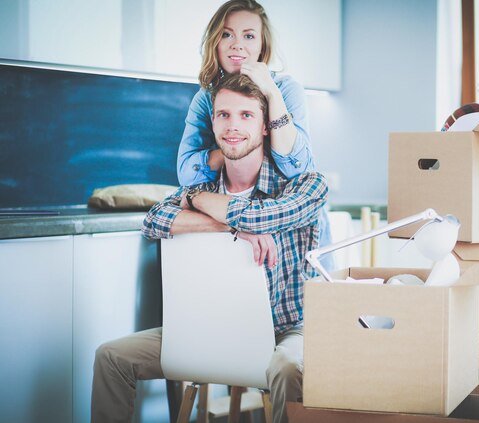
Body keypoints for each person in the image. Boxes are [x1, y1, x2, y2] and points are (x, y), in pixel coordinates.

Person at [90, 74, 328, 423]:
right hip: (208, 329)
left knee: (289, 367)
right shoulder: (199, 186)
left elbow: (264, 216)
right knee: (111, 357)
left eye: (246, 115)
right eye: (224, 115)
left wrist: (207, 210)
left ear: (265, 127)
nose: (233, 126)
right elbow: (154, 220)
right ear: (213, 122)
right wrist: (230, 224)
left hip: (286, 330)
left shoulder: (305, 183)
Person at [177, 0, 333, 266]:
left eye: (249, 36)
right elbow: (188, 174)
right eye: (227, 34)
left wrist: (271, 92)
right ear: (216, 41)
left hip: (293, 227)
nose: (237, 44)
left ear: (262, 45)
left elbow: (297, 166)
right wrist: (233, 146)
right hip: (235, 224)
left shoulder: (285, 89)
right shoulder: (205, 99)